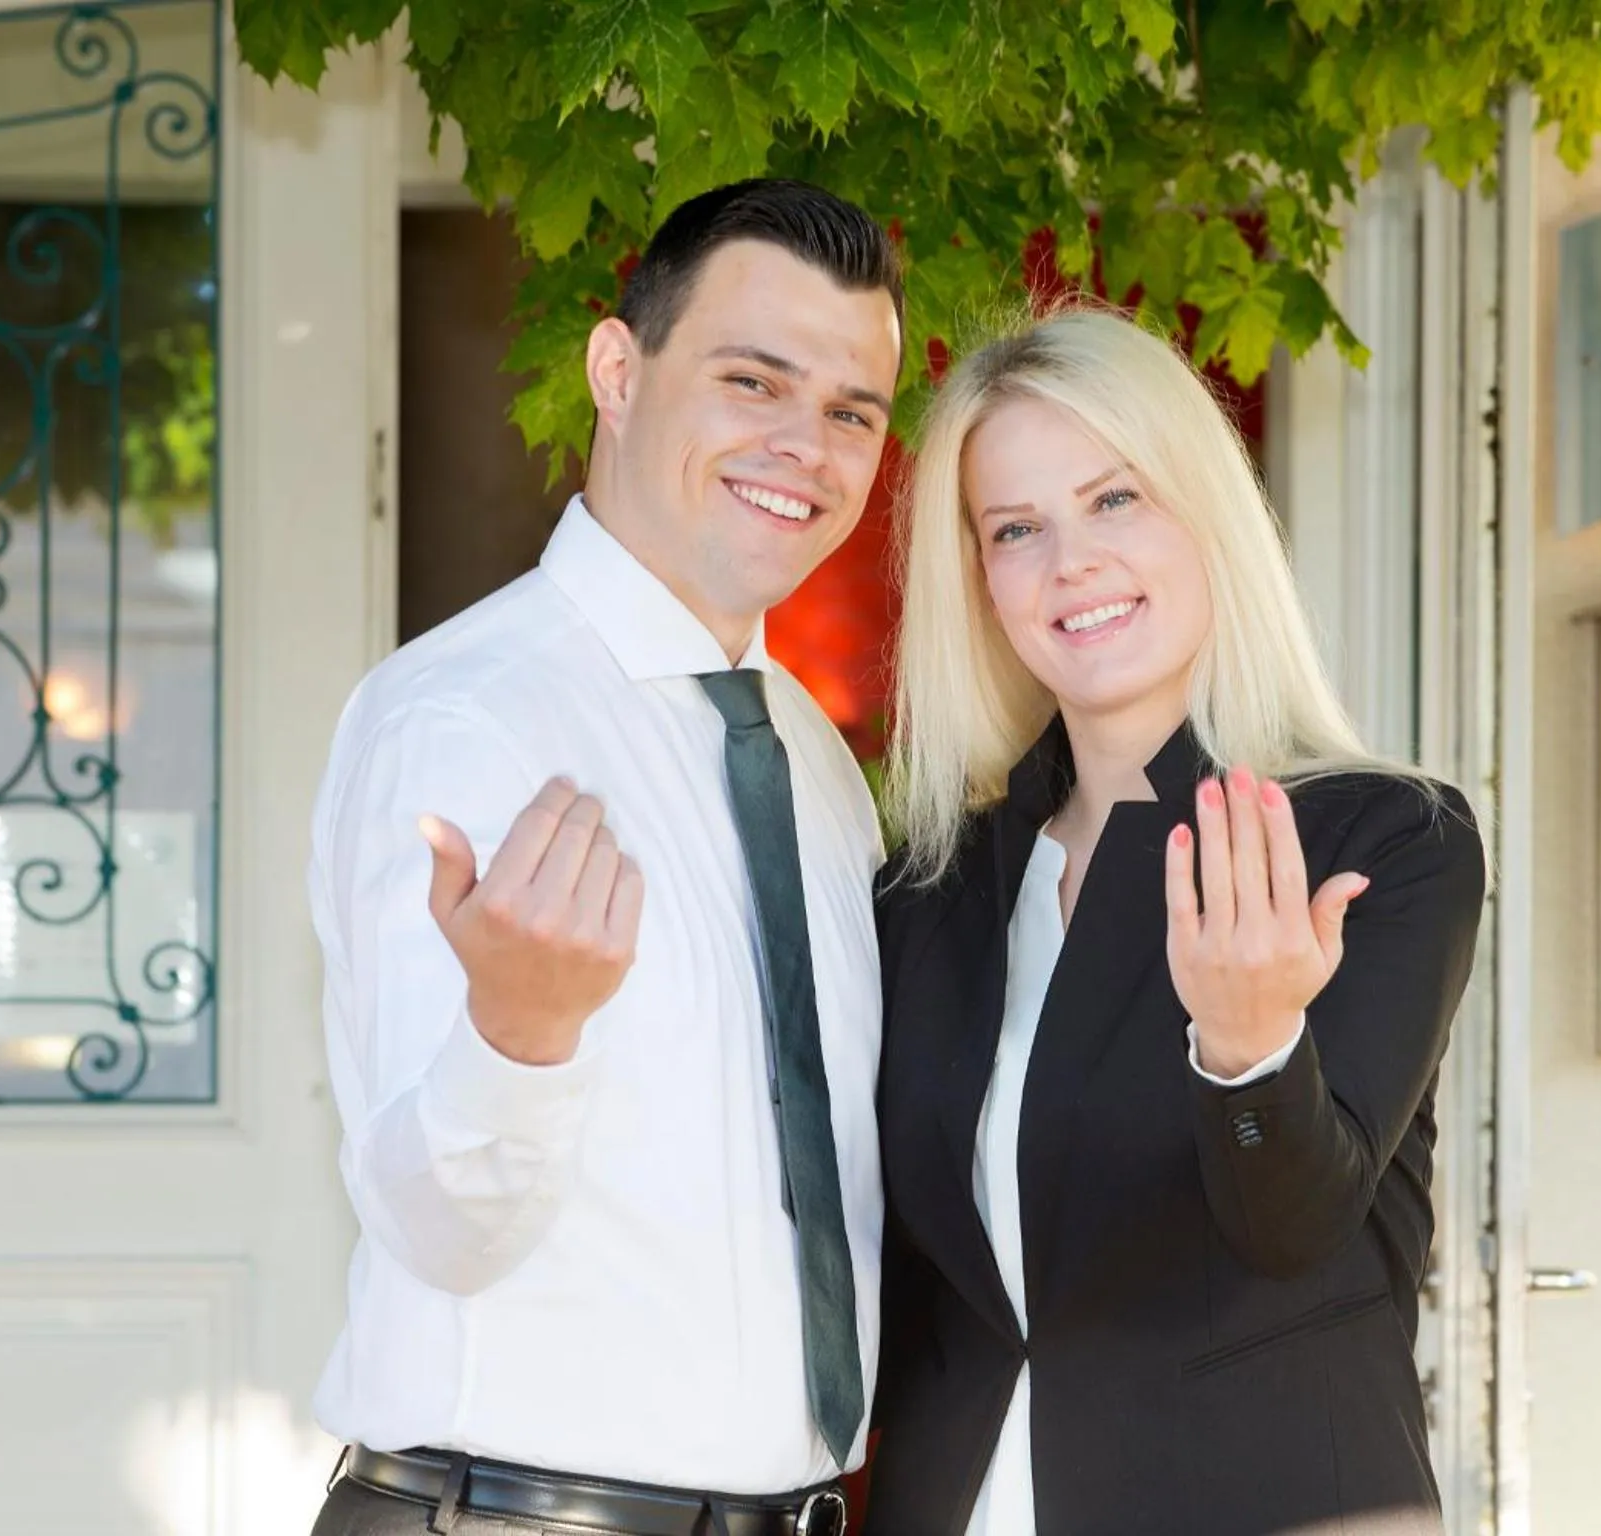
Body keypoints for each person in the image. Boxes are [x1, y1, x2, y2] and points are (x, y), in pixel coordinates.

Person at [305, 179, 902, 1536]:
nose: (804, 447)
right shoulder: (467, 719)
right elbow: (437, 1228)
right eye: (754, 381)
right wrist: (517, 1035)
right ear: (617, 373)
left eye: (851, 412)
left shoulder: (815, 765)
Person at [867, 306, 1488, 1535]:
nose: (1071, 563)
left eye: (1115, 500)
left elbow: (1295, 1230)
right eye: (1016, 528)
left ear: (1208, 516)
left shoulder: (1381, 842)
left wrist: (1250, 1048)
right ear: (979, 580)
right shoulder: (930, 890)